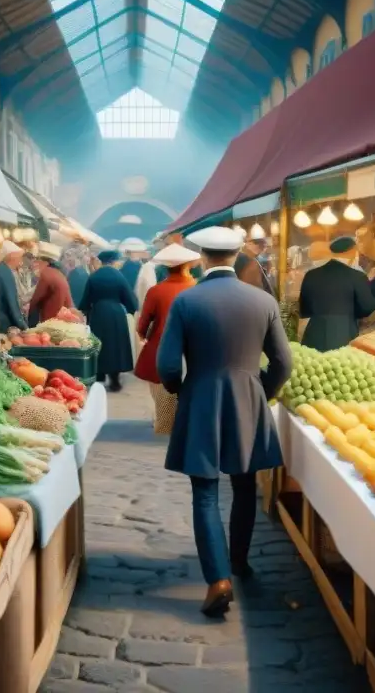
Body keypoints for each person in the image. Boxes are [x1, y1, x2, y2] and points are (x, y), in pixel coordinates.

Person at [156, 226, 292, 617]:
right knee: (245, 483)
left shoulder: (187, 300)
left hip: (201, 397)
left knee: (205, 492)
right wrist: (259, 391)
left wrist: (183, 389)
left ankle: (218, 580)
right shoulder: (262, 301)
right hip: (248, 396)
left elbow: (167, 365)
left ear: (202, 257)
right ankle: (239, 560)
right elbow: (283, 363)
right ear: (237, 256)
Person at [134, 243, 200, 435]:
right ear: (188, 266)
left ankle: (165, 425)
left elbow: (143, 325)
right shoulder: (197, 288)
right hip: (193, 349)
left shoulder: (156, 291)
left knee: (162, 392)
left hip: (160, 348)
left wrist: (143, 336)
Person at [299, 236, 375, 351]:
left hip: (314, 332)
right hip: (345, 332)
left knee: (313, 366)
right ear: (353, 251)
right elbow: (367, 308)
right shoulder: (357, 276)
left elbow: (304, 309)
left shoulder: (311, 275)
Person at [79, 250, 138, 392]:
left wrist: (86, 312)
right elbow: (130, 300)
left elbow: (85, 301)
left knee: (99, 345)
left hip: (98, 313)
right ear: (113, 261)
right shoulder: (119, 276)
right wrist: (130, 309)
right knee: (116, 345)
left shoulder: (94, 276)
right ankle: (115, 380)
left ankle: (98, 377)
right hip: (116, 314)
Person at [0, 240, 28, 333]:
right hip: (2, 323)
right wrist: (23, 326)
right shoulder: (5, 273)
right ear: (12, 257)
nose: (20, 262)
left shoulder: (0, 270)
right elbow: (11, 303)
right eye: (19, 258)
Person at [28, 242, 73, 323]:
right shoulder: (58, 273)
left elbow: (35, 299)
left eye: (38, 260)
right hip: (63, 318)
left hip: (52, 319)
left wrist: (23, 314)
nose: (36, 263)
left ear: (45, 262)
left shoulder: (46, 274)